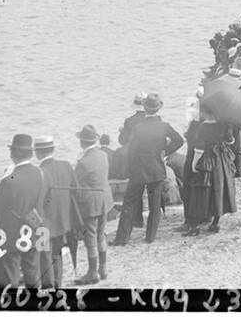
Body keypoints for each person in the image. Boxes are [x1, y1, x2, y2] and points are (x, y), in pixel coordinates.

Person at [112, 93, 183, 247]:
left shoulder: (138, 127)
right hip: (156, 167)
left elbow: (131, 150)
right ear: (159, 108)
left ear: (144, 108)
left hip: (138, 168)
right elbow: (179, 140)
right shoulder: (164, 126)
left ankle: (122, 238)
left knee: (129, 204)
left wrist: (130, 167)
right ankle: (150, 236)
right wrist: (165, 150)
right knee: (154, 204)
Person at [0, 134, 49, 287]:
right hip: (35, 229)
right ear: (31, 153)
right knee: (33, 274)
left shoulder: (9, 180)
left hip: (11, 235)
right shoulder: (41, 173)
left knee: (10, 276)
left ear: (13, 154)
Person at [181, 103, 237, 236]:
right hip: (221, 161)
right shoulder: (223, 124)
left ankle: (194, 227)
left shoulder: (202, 127)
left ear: (205, 113)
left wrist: (194, 164)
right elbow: (230, 141)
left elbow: (199, 148)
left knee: (201, 193)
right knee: (219, 190)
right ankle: (215, 223)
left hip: (207, 160)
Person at [35, 134, 78, 288]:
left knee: (43, 256)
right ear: (53, 149)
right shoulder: (66, 165)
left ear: (37, 153)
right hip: (63, 221)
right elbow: (75, 190)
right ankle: (57, 285)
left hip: (44, 225)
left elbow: (37, 203)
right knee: (56, 255)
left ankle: (48, 288)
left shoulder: (39, 172)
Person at [72, 125, 112, 285]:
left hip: (91, 204)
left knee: (90, 238)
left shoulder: (83, 162)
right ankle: (103, 269)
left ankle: (92, 272)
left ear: (82, 142)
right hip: (105, 200)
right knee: (101, 236)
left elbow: (74, 183)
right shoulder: (103, 154)